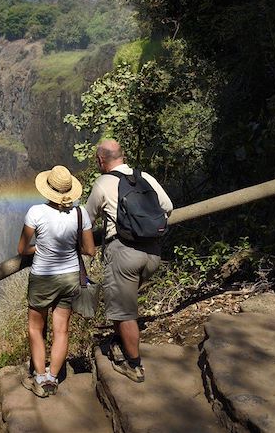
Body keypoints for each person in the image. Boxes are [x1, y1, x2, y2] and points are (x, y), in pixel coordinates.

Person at [85, 139, 173, 383]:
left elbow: (86, 220)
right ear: (122, 156)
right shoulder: (145, 177)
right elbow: (167, 207)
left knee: (124, 312)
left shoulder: (103, 183)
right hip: (152, 254)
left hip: (123, 253)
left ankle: (133, 365)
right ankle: (121, 341)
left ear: (101, 160)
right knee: (122, 302)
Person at [17, 165, 95, 397]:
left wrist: (38, 248)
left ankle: (40, 376)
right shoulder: (80, 213)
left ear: (48, 189)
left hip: (43, 277)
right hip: (70, 277)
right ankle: (53, 378)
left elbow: (22, 249)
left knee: (35, 327)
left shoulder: (36, 212)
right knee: (62, 330)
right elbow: (90, 249)